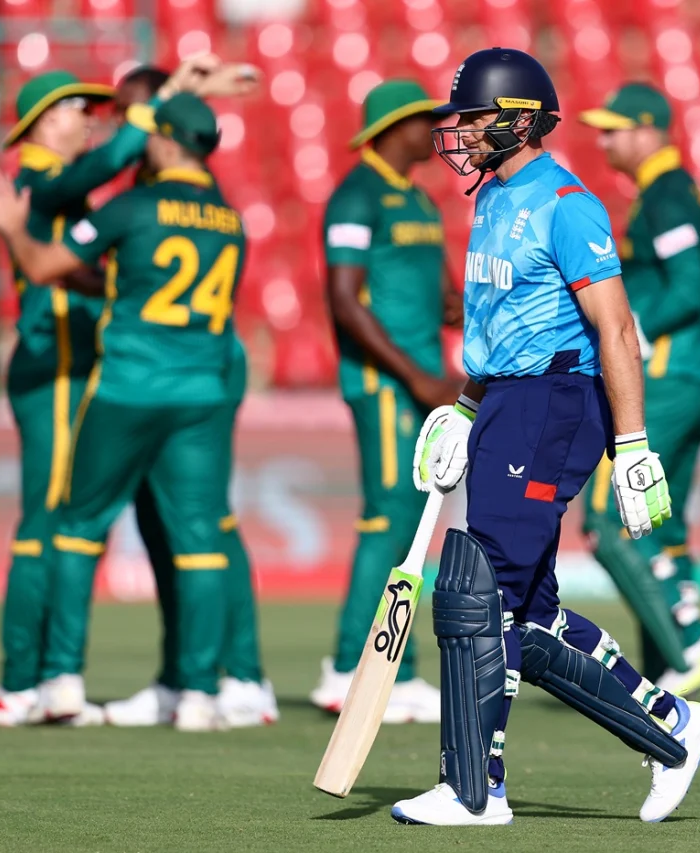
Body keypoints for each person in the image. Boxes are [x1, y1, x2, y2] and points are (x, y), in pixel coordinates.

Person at [390, 48, 700, 826]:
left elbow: (615, 327)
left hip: (555, 404)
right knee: (528, 619)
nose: (460, 132)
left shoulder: (568, 202)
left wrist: (633, 446)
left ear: (519, 120)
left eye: (473, 117)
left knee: (477, 586)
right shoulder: (490, 199)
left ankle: (474, 789)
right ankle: (674, 725)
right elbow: (499, 324)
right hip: (507, 401)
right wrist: (468, 408)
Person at [0, 58, 257, 727]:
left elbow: (48, 261)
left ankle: (54, 679)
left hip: (121, 385)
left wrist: (11, 230)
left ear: (162, 140)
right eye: (79, 108)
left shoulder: (128, 203)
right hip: (193, 394)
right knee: (197, 537)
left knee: (73, 528)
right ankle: (198, 690)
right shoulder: (232, 219)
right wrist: (182, 94)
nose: (98, 119)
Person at [102, 65, 277, 729]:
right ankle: (180, 673)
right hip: (166, 365)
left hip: (192, 362)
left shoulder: (176, 188)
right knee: (161, 522)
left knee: (206, 520)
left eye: (133, 117)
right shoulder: (149, 183)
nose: (127, 130)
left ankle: (244, 673)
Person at [579, 83, 700, 695]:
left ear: (648, 130)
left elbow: (690, 287)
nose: (604, 140)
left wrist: (636, 335)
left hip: (666, 376)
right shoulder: (664, 194)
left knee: (608, 518)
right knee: (658, 521)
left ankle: (691, 641)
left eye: (614, 129)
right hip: (692, 376)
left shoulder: (668, 195)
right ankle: (666, 663)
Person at [308, 79, 461, 723]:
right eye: (425, 119)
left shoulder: (420, 200)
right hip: (385, 383)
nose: (435, 129)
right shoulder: (357, 194)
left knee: (412, 520)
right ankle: (348, 666)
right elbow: (345, 301)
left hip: (424, 378)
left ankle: (396, 669)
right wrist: (415, 376)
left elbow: (440, 292)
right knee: (388, 516)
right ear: (393, 127)